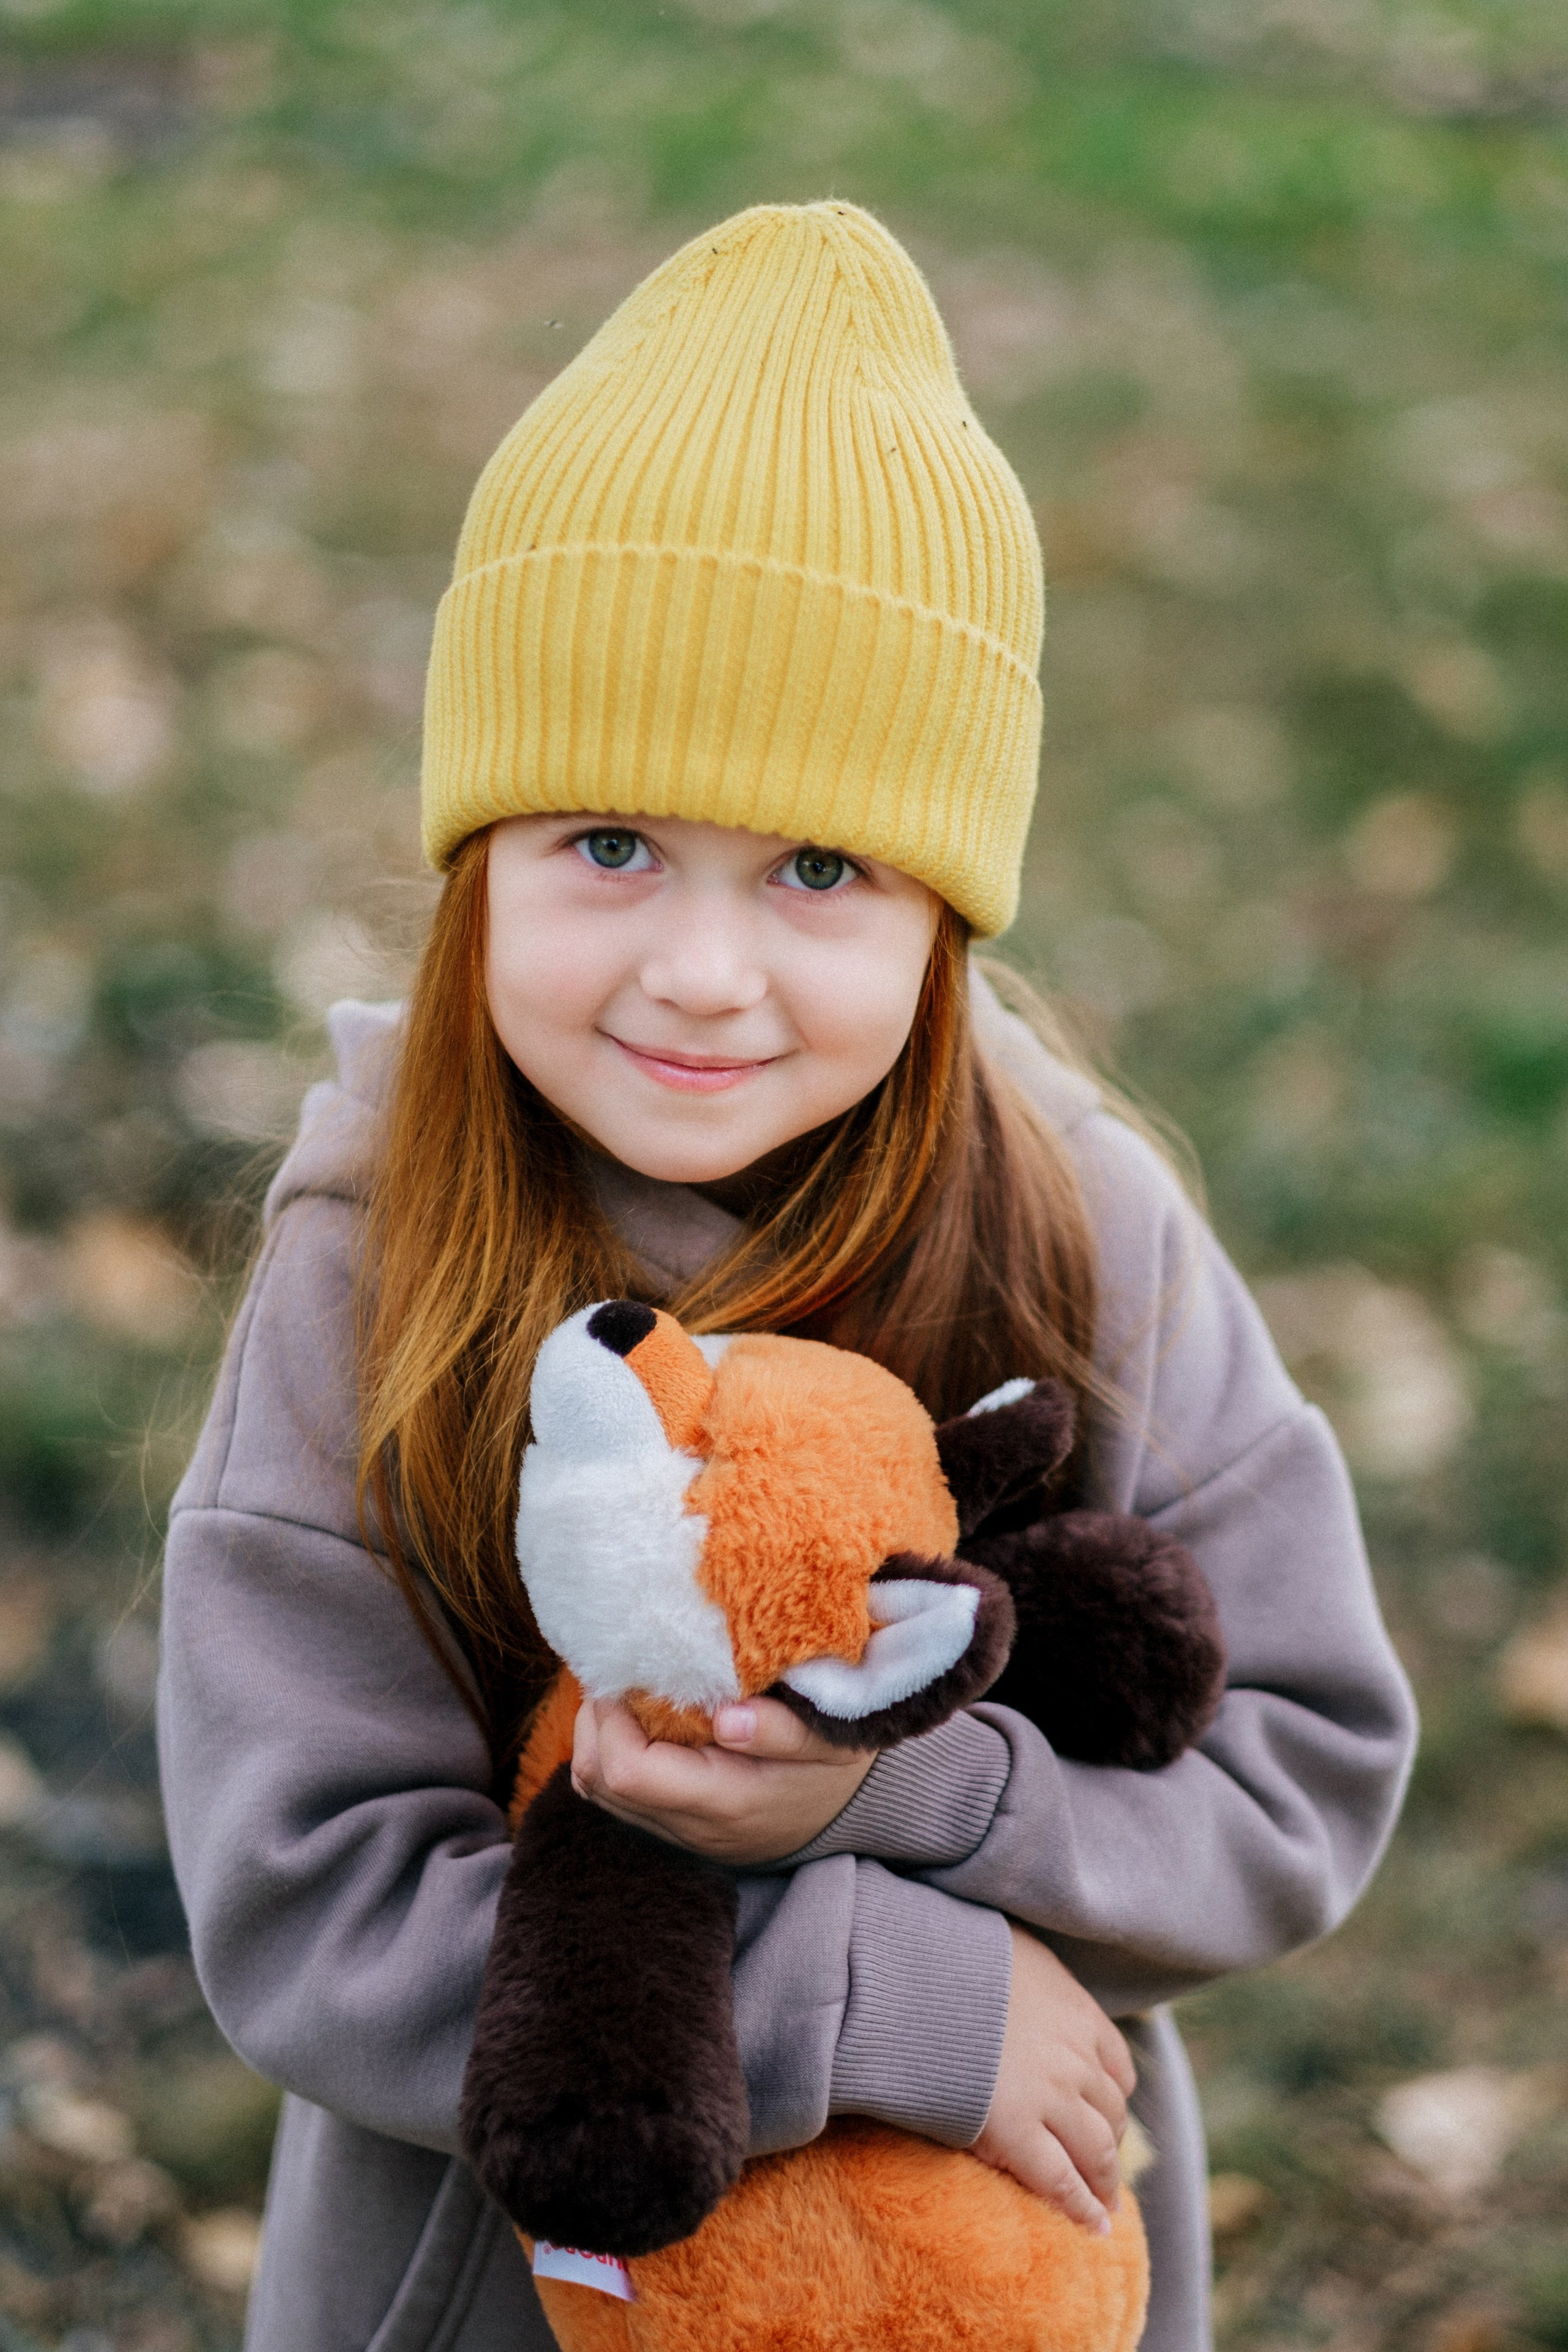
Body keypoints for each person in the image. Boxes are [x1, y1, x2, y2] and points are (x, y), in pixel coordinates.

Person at [157, 202, 1417, 2352]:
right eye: (609, 844)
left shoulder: (1080, 1231)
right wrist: (879, 2001)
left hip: (990, 2285)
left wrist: (911, 1790)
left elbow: (1298, 1767)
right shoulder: (379, 1260)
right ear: (479, 857)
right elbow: (309, 1903)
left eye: (819, 867)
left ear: (946, 911)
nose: (703, 973)